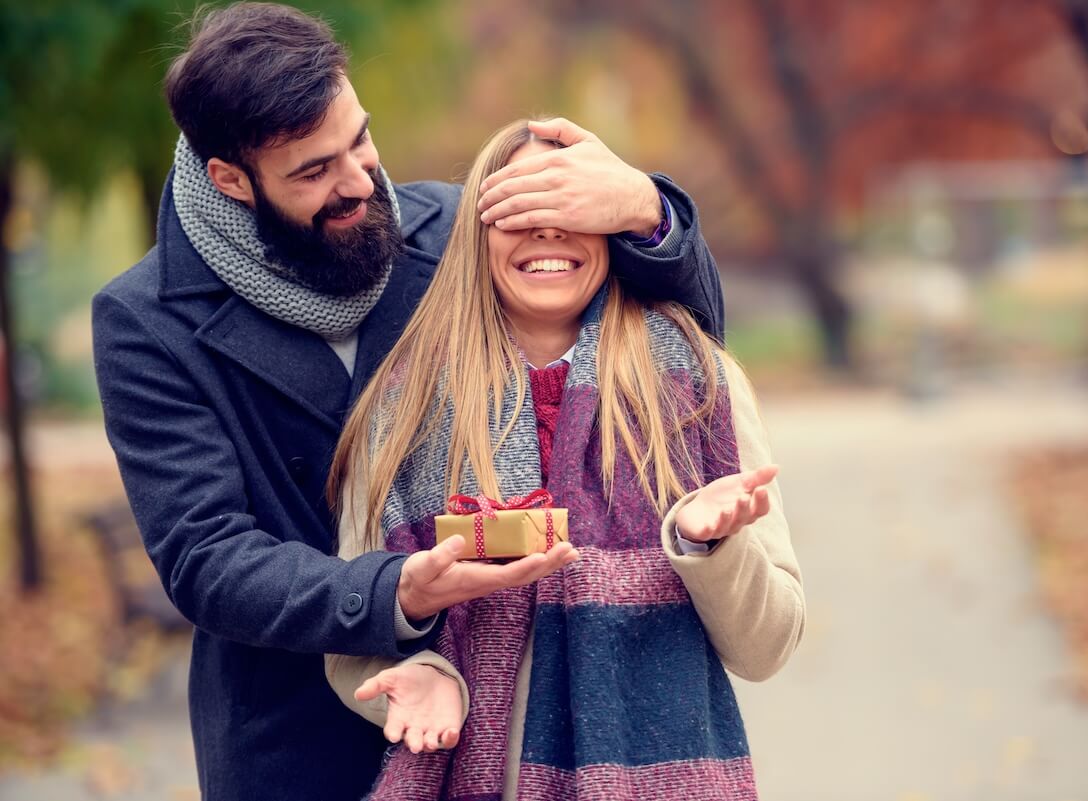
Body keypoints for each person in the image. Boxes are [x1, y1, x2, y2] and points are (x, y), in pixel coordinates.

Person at [90, 4, 725, 800]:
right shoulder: (146, 320)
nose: (359, 181)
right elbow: (207, 557)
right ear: (231, 179)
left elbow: (686, 350)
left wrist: (648, 213)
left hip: (501, 724)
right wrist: (395, 591)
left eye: (359, 140)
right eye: (314, 171)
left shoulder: (453, 227)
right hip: (302, 741)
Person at [325, 120, 804, 801]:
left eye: (570, 207)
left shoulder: (699, 382)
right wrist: (424, 675)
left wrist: (712, 547)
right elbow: (351, 621)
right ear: (475, 236)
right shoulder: (402, 406)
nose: (547, 230)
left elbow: (768, 646)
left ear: (609, 225)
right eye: (519, 209)